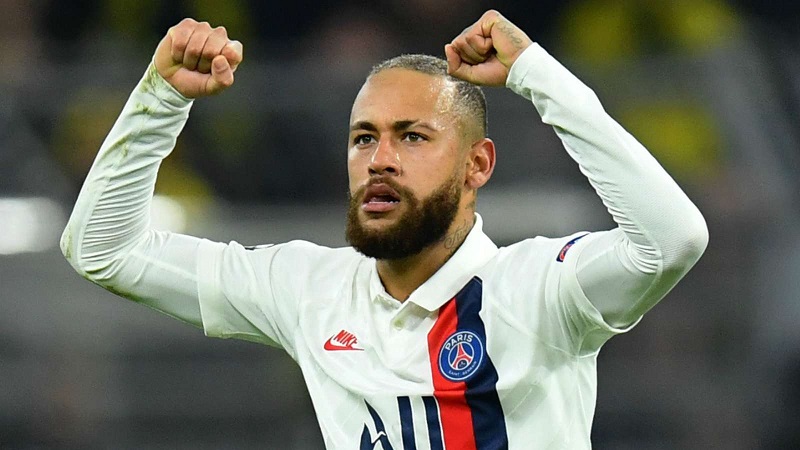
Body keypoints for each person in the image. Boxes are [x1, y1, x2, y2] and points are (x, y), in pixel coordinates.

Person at [61, 10, 708, 449]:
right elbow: (102, 248)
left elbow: (672, 240)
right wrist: (160, 99)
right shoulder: (308, 289)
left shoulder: (537, 289)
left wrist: (537, 76)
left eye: (413, 136)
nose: (380, 159)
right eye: (364, 138)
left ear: (477, 164)